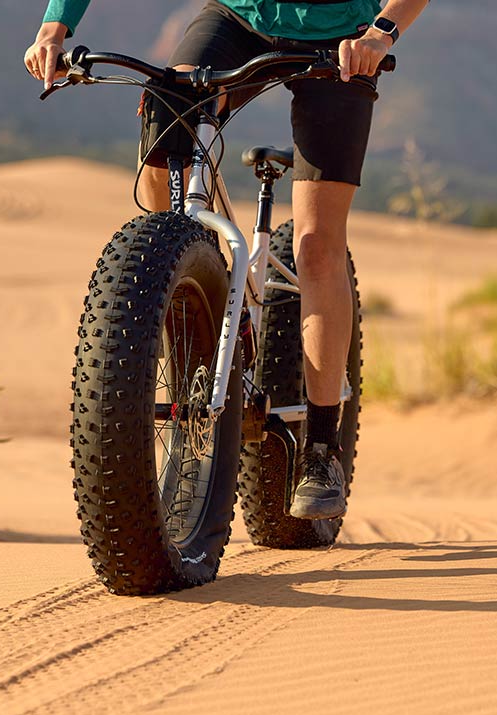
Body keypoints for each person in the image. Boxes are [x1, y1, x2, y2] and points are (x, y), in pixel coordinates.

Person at [25, 0, 430, 520]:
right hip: (239, 17)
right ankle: (193, 284)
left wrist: (381, 33)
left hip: (342, 36)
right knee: (165, 109)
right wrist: (53, 29)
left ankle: (321, 449)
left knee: (316, 244)